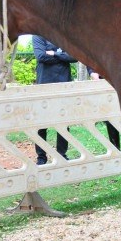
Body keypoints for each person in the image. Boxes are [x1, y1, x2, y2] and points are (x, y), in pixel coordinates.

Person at [32, 35, 77, 164]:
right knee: (41, 124)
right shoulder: (37, 36)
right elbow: (41, 56)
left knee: (63, 122)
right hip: (44, 85)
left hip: (64, 85)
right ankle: (41, 157)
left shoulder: (62, 35)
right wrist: (61, 54)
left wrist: (53, 53)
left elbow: (74, 57)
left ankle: (61, 155)